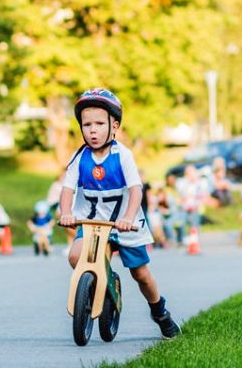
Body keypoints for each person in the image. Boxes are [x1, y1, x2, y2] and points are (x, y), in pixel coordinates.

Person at [59, 88, 181, 339]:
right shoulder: (79, 156)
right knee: (75, 257)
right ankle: (101, 284)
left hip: (125, 223)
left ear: (114, 126)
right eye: (87, 124)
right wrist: (66, 212)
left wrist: (127, 217)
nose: (92, 130)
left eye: (100, 124)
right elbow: (67, 189)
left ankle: (160, 312)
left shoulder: (122, 155)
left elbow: (136, 190)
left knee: (141, 275)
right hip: (92, 221)